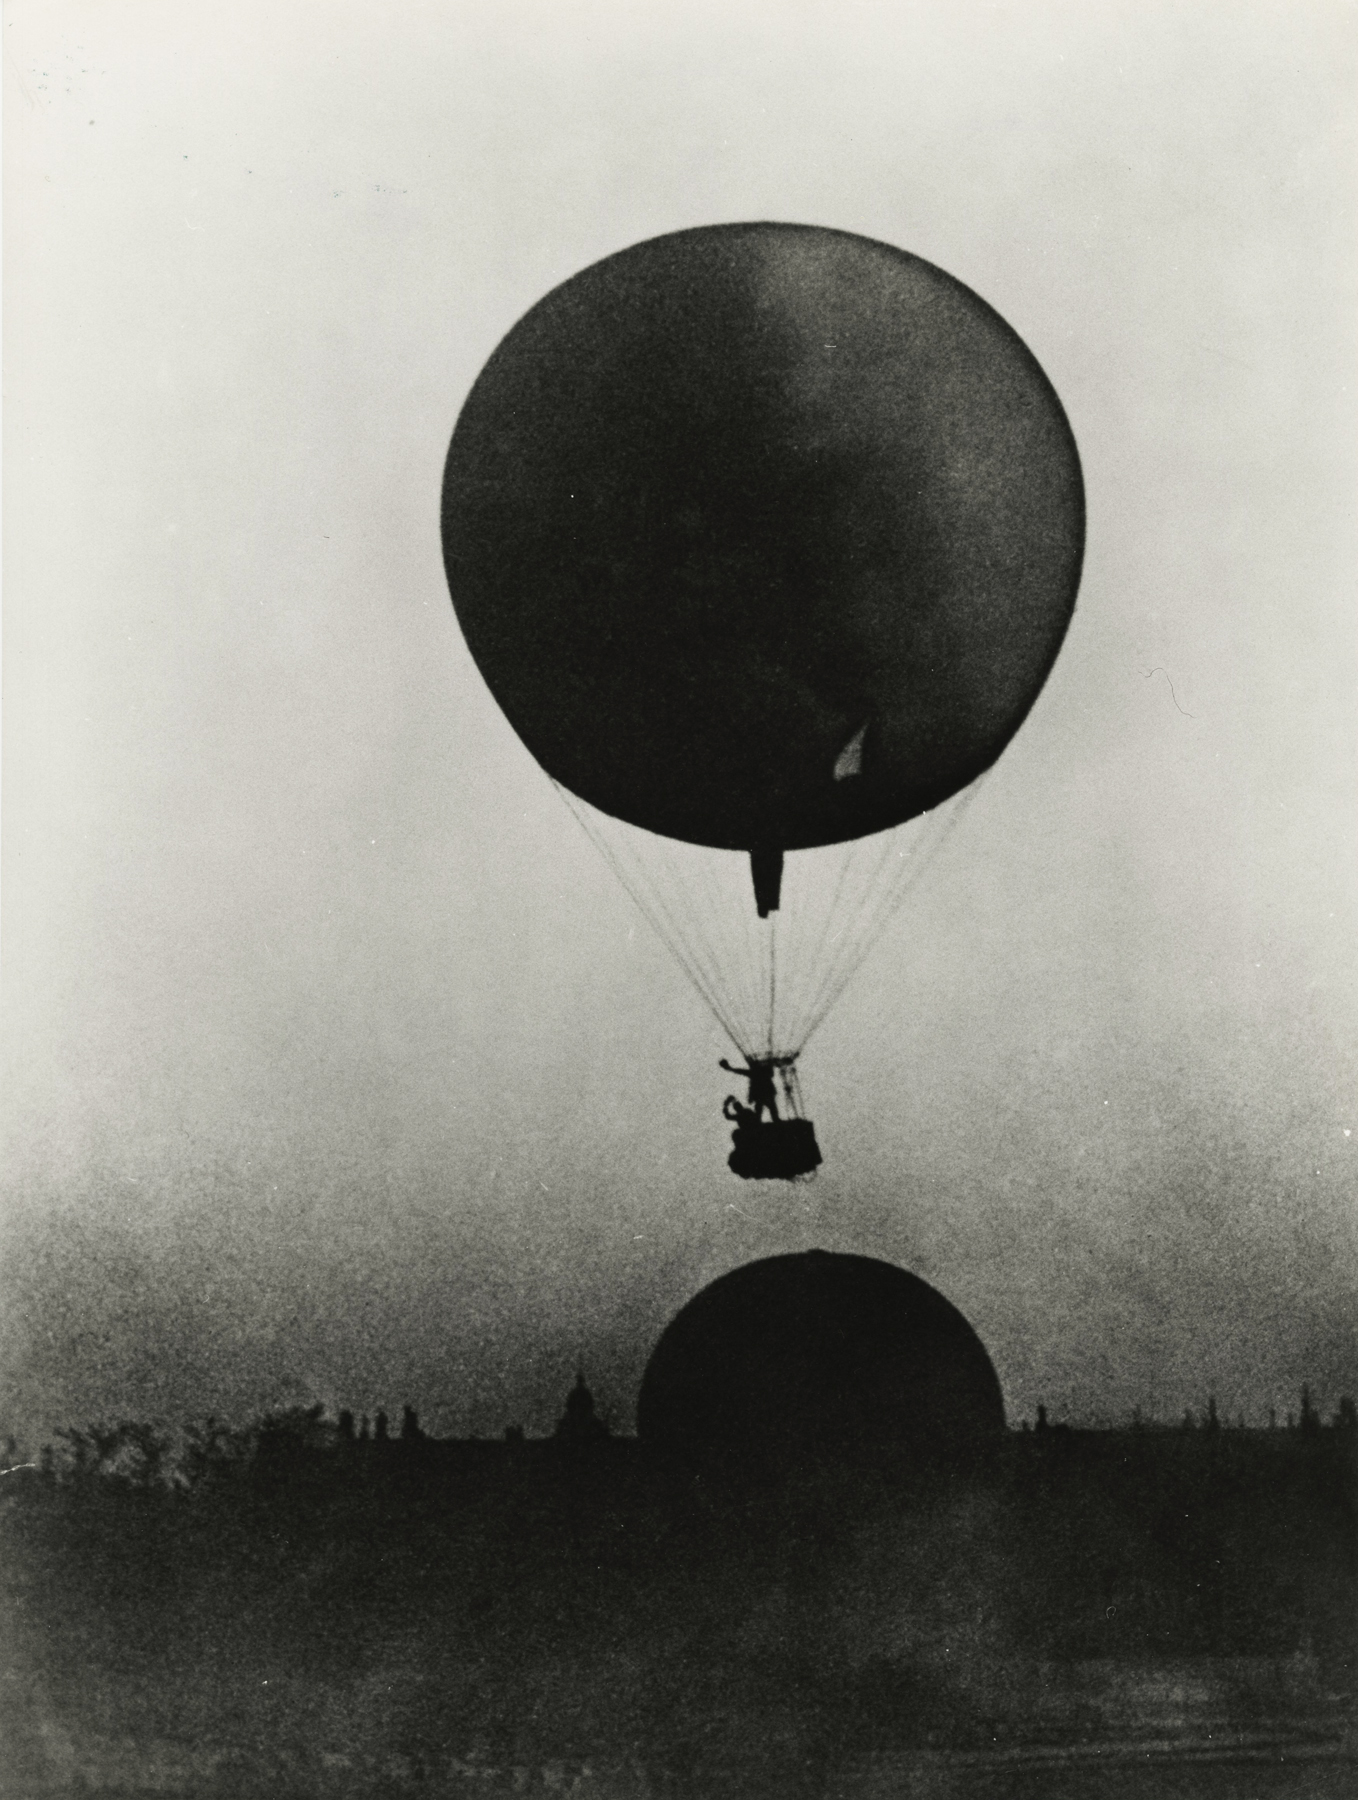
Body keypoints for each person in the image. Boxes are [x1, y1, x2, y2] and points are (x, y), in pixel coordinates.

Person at [719, 1056, 781, 1124]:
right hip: (764, 1094)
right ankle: (772, 1121)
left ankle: (762, 1122)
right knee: (769, 1109)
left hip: (761, 1095)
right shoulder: (762, 1073)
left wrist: (729, 1068)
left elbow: (740, 1071)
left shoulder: (755, 1073)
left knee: (763, 1109)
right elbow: (740, 1071)